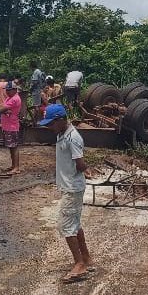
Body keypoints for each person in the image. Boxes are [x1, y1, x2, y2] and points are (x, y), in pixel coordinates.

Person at [39, 104, 93, 284]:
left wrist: (87, 170)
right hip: (69, 186)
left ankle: (79, 264)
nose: (49, 127)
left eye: (51, 123)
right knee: (74, 224)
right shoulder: (61, 133)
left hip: (72, 188)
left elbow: (80, 163)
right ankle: (86, 258)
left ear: (61, 119)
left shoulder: (72, 137)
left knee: (66, 226)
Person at [1, 82, 23, 175]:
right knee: (11, 147)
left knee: (14, 147)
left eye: (9, 90)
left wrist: (3, 109)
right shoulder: (9, 98)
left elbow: (1, 109)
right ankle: (13, 165)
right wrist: (3, 109)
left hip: (12, 126)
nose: (7, 92)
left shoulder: (14, 99)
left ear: (14, 90)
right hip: (7, 125)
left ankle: (16, 167)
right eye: (6, 90)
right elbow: (2, 108)